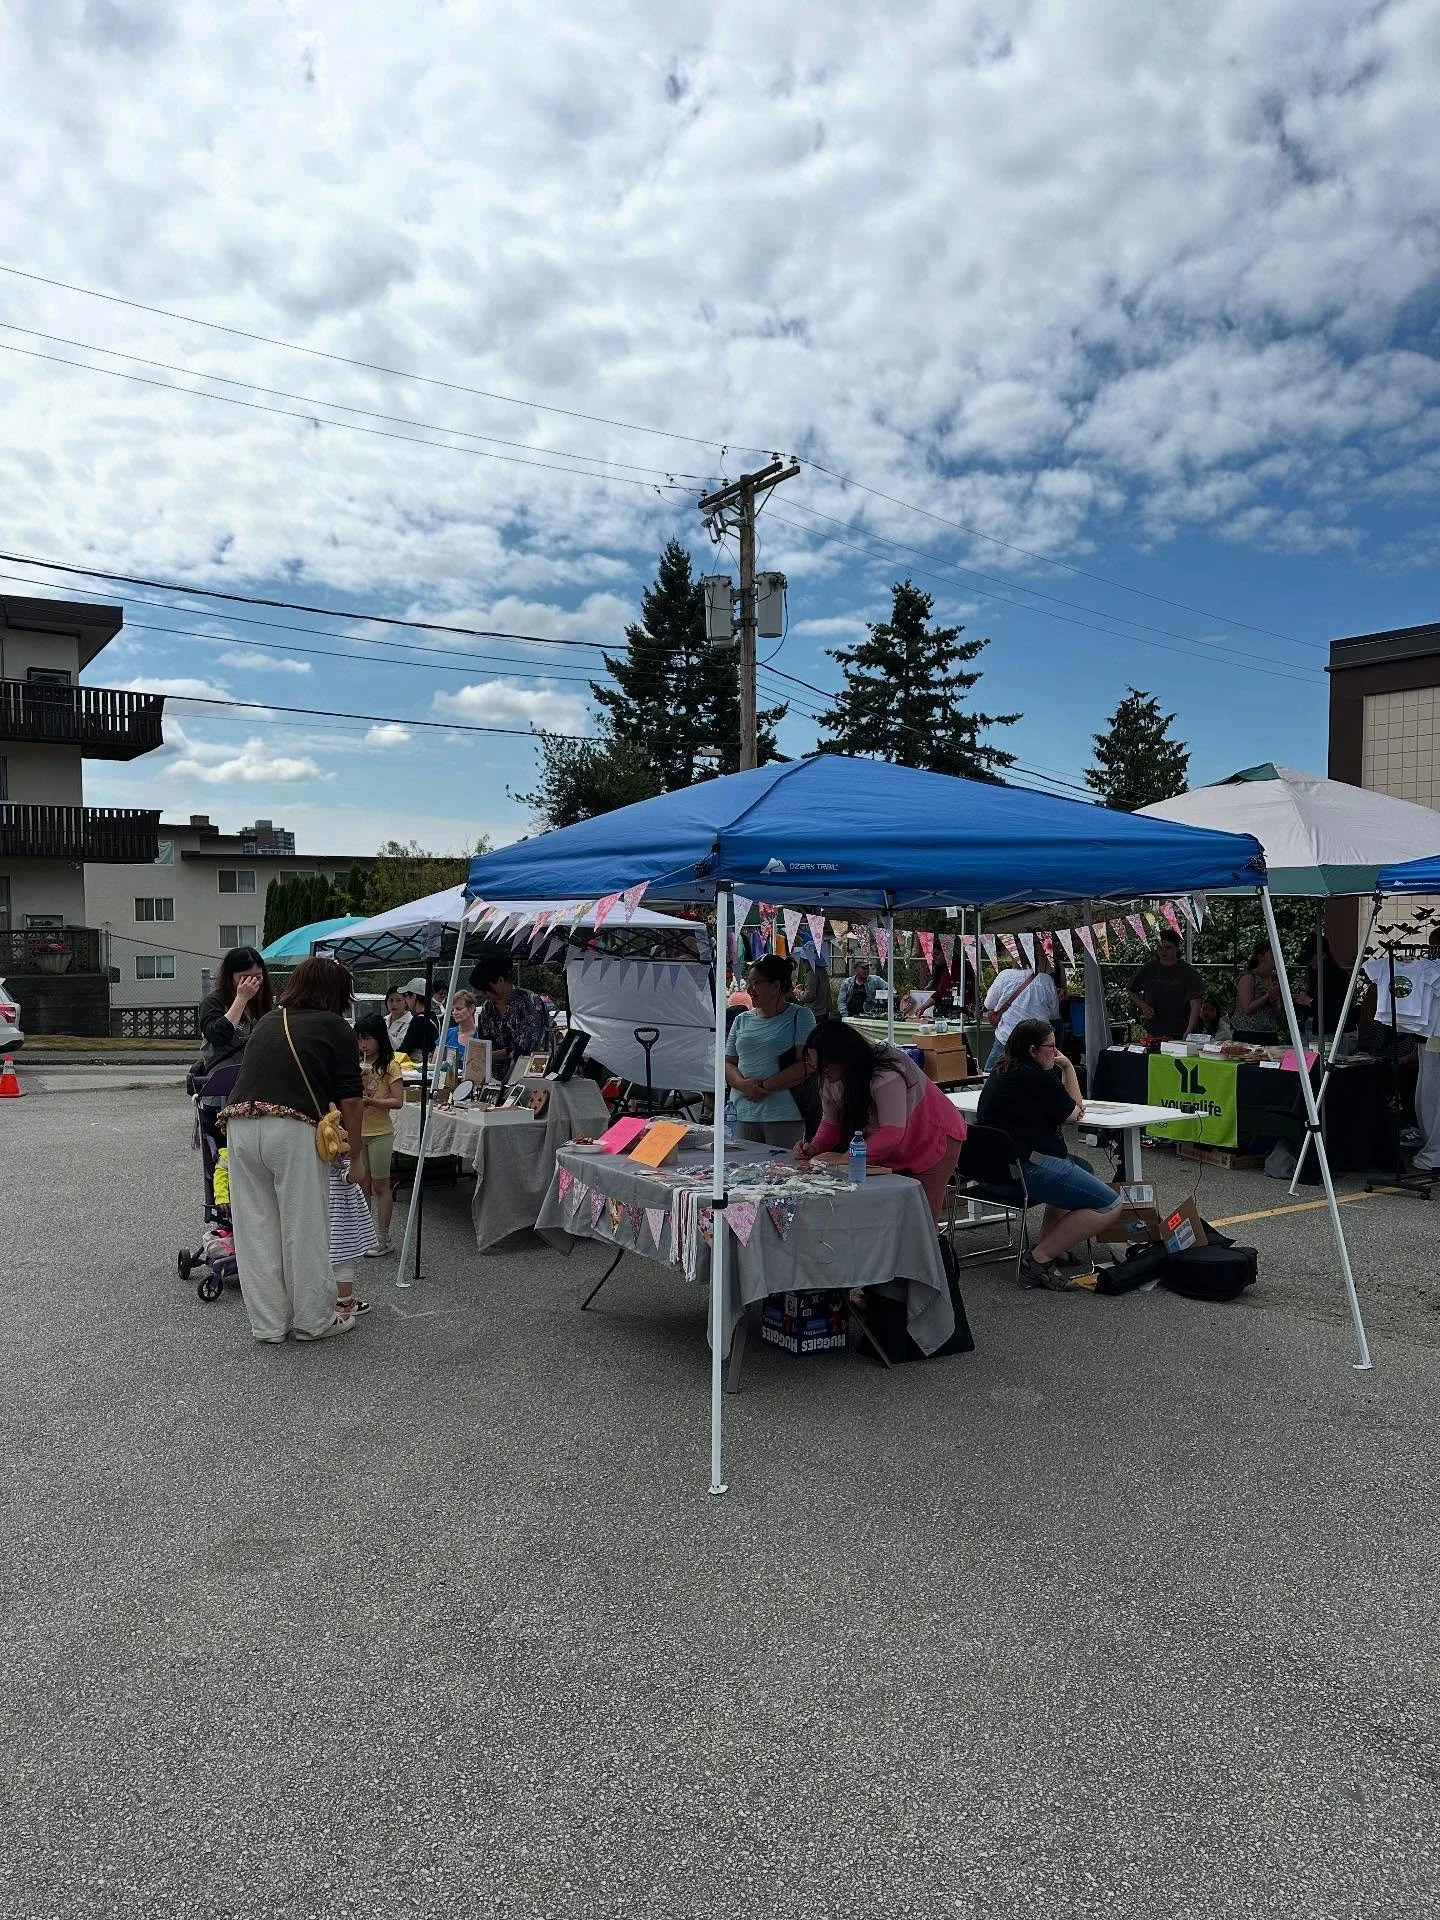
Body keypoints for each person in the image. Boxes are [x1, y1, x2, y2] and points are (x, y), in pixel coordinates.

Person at [219, 955, 366, 1343]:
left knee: (256, 1227)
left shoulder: (268, 1020)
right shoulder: (334, 1025)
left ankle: (268, 1324)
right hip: (293, 1128)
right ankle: (313, 1321)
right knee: (304, 1227)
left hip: (239, 1125)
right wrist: (357, 1156)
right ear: (336, 992)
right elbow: (351, 1098)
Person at [975, 1017, 1127, 1288]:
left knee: (1083, 1168)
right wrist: (1068, 1067)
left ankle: (1050, 1244)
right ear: (1033, 1050)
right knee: (1110, 1205)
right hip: (1025, 1170)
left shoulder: (1002, 1070)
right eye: (1051, 1047)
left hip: (993, 1170)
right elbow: (1076, 1113)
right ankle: (1040, 1258)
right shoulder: (1036, 1077)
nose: (1056, 1053)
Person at [796, 1018, 968, 1224]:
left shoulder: (886, 1073)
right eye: (816, 1068)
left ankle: (928, 1255)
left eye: (826, 1068)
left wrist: (846, 1157)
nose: (823, 1074)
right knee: (889, 1217)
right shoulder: (830, 1078)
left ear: (845, 1058)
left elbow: (891, 1132)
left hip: (933, 1139)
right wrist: (815, 1147)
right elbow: (831, 1122)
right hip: (892, 1148)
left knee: (921, 1219)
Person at [724, 954, 816, 1147]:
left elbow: (807, 1064)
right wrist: (743, 1085)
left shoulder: (801, 1016)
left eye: (756, 983)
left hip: (784, 1113)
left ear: (775, 986)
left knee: (782, 1170)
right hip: (741, 1112)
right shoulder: (741, 1019)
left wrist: (765, 1087)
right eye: (749, 983)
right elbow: (728, 1062)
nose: (750, 990)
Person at [355, 1013, 404, 1254]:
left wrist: (373, 1102)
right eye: (359, 1039)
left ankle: (383, 1237)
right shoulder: (356, 1064)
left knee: (380, 1186)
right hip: (358, 1131)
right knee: (362, 1185)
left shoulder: (390, 1066)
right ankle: (365, 1234)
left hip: (381, 1132)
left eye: (367, 1039)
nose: (363, 1045)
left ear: (379, 1039)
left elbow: (398, 1101)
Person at [469, 953, 550, 1082]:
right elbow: (484, 1043)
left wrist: (491, 1055)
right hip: (495, 1081)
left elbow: (527, 1049)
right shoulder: (487, 1009)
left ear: (500, 980)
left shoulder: (529, 1002)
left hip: (529, 1077)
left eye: (486, 989)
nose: (484, 994)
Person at [196, 946, 273, 1073]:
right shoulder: (213, 1001)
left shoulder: (262, 1001)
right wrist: (241, 999)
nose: (252, 982)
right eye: (245, 978)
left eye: (258, 977)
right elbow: (218, 1036)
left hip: (255, 1072)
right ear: (230, 977)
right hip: (224, 1073)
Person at [982, 948, 1060, 1071]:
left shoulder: (1005, 976)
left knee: (991, 1075)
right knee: (1038, 1078)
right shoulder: (1046, 980)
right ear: (1036, 960)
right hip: (1037, 1041)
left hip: (1006, 1037)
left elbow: (988, 1004)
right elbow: (1055, 1014)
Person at [1128, 929, 1206, 1040]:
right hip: (1154, 1029)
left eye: (1168, 948)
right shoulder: (1149, 968)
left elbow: (1195, 1004)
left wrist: (1189, 1031)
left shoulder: (1188, 972)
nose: (1163, 952)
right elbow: (1132, 989)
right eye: (1160, 948)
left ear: (1177, 948)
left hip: (1180, 1030)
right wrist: (1143, 1006)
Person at [1231, 939, 1311, 1043]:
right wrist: (1267, 995)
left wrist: (1274, 1001)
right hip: (1247, 1032)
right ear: (1261, 956)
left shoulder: (1275, 978)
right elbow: (1247, 1008)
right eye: (1272, 952)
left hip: (1269, 1032)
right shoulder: (1249, 977)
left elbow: (1278, 1012)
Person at [398, 977, 440, 1058]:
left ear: (414, 996)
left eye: (406, 995)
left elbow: (405, 1048)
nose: (405, 999)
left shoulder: (419, 1020)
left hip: (418, 1064)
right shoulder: (434, 1017)